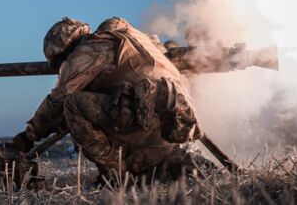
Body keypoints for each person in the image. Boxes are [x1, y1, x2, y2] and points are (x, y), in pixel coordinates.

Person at [12, 17, 203, 178]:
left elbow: (58, 100)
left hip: (146, 118)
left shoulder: (87, 51)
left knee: (72, 105)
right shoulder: (134, 37)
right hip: (181, 118)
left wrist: (28, 137)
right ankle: (153, 166)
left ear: (65, 50)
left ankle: (117, 174)